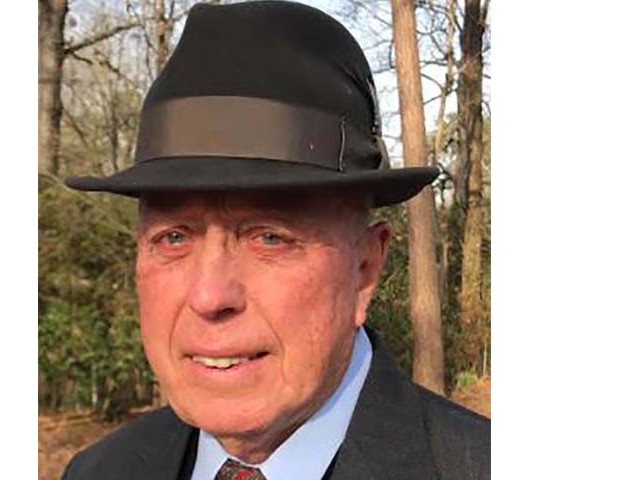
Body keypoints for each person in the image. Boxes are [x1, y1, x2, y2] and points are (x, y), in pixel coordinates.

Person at [60, 1, 490, 479]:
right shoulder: (99, 471)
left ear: (365, 270)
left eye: (269, 237)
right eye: (174, 237)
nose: (209, 296)